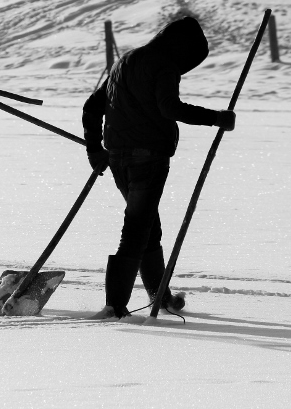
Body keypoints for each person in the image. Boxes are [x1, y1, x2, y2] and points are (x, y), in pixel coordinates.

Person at [81, 16, 236, 319]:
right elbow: (170, 108)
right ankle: (114, 305)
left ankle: (160, 297)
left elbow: (91, 107)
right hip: (147, 159)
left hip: (118, 158)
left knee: (147, 228)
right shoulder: (163, 64)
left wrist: (96, 150)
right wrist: (217, 118)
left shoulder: (124, 62)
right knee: (138, 230)